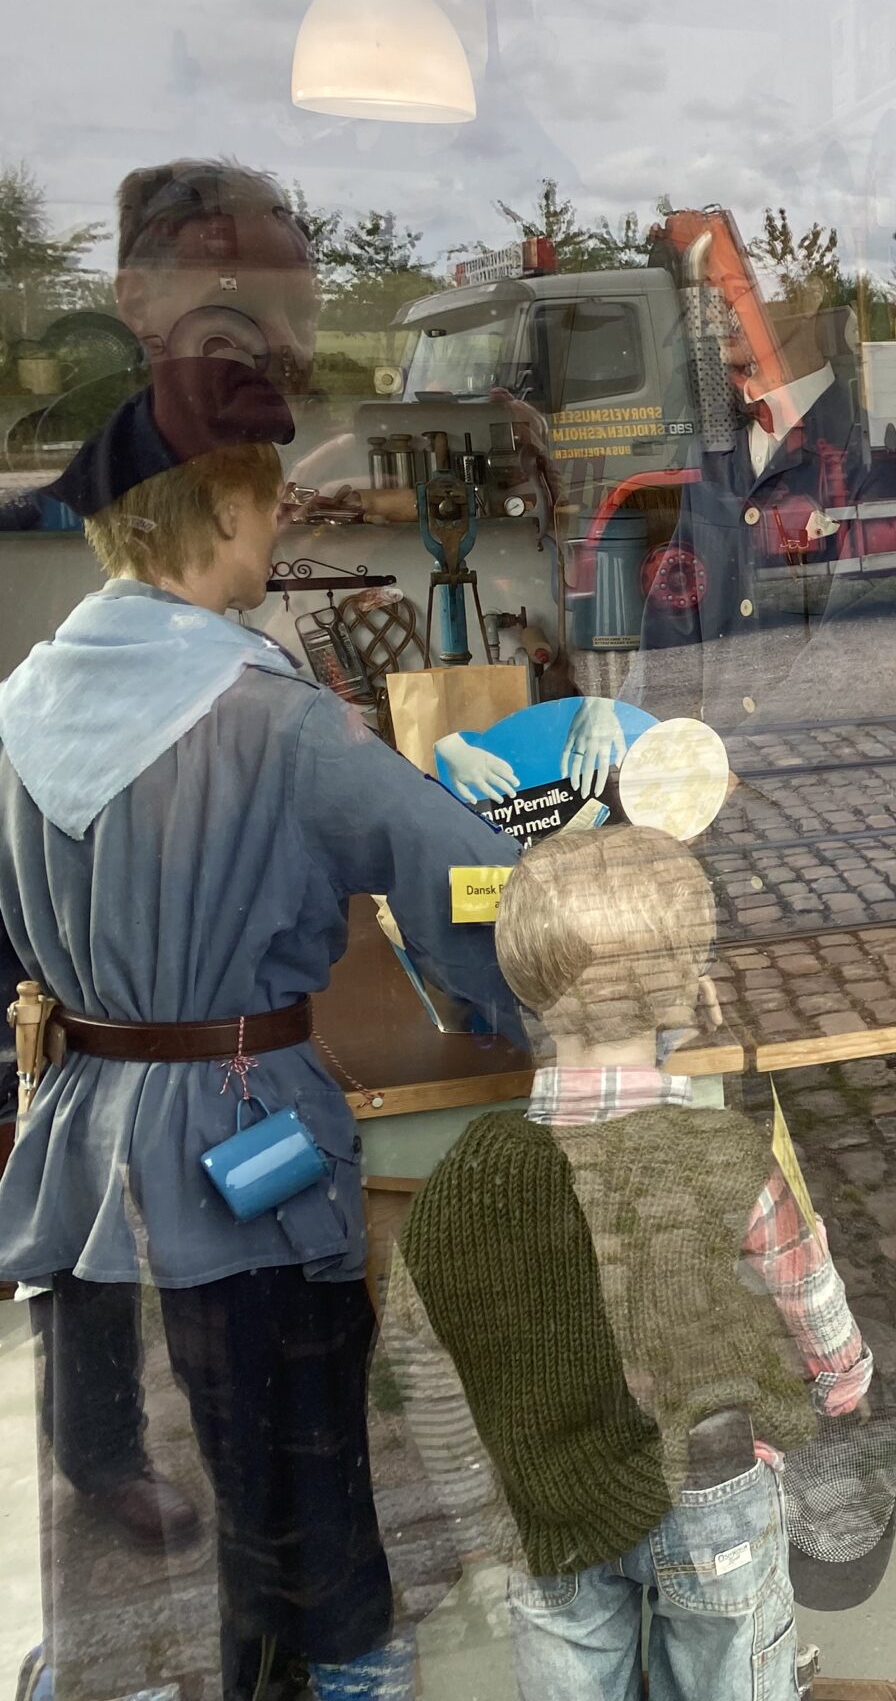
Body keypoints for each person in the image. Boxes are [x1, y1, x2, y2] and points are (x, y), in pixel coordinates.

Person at [0, 158, 526, 1701]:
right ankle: (333, 1665)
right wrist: (519, 996)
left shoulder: (15, 710)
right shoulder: (280, 722)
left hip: (83, 1145)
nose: (283, 519)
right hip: (250, 1146)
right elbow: (461, 874)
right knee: (297, 1449)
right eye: (273, 500)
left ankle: (146, 1665)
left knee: (123, 1444)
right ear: (227, 514)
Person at [381, 825, 872, 1700]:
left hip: (545, 1498)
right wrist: (844, 1388)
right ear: (688, 992)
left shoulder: (467, 1177)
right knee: (731, 1674)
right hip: (715, 1482)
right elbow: (808, 1294)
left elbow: (421, 1355)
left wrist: (475, 1497)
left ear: (525, 989)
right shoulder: (725, 1155)